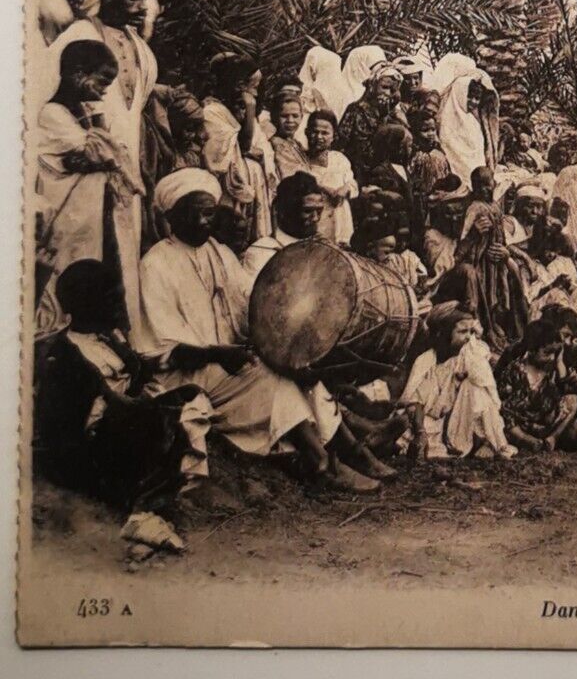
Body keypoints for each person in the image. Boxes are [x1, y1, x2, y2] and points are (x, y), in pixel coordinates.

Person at [136, 170, 380, 493]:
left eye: (208, 213)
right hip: (185, 372)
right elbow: (160, 347)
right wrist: (217, 354)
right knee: (274, 378)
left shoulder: (218, 253)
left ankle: (333, 454)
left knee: (292, 366)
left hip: (223, 362)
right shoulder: (155, 264)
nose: (204, 221)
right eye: (194, 213)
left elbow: (249, 308)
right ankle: (321, 462)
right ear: (171, 216)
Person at [33, 259, 211, 553]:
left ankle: (158, 500)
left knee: (191, 400)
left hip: (117, 430)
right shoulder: (65, 357)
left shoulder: (110, 339)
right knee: (159, 421)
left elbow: (138, 378)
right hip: (85, 453)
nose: (120, 306)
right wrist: (140, 410)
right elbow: (68, 431)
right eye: (112, 299)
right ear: (85, 305)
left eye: (120, 297)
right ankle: (140, 511)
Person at [44, 0, 159, 328]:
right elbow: (50, 94)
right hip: (78, 179)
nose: (142, 6)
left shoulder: (140, 47)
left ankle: (121, 335)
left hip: (122, 170)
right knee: (81, 251)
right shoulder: (79, 33)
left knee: (122, 248)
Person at [34, 39, 145, 335]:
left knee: (89, 273)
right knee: (61, 279)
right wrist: (103, 149)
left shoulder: (81, 112)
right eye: (102, 81)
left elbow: (104, 151)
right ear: (78, 74)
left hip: (88, 221)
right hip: (66, 219)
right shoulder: (52, 115)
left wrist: (97, 125)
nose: (105, 90)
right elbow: (100, 152)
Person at [399, 304, 516, 459]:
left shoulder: (469, 357)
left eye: (470, 331)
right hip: (432, 421)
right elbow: (414, 401)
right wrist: (420, 433)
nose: (468, 337)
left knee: (476, 386)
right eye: (462, 331)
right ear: (444, 334)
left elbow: (487, 395)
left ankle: (490, 443)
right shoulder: (426, 361)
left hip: (459, 419)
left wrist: (466, 376)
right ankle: (453, 444)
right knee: (407, 430)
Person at [433, 167, 529, 350]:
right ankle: (484, 327)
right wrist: (474, 236)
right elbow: (458, 250)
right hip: (472, 266)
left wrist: (507, 254)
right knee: (478, 279)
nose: (486, 189)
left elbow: (503, 238)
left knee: (512, 276)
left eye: (489, 184)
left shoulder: (495, 207)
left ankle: (515, 330)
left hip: (494, 261)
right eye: (480, 186)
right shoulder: (474, 209)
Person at [200, 50, 275, 247]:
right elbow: (241, 146)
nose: (256, 93)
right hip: (227, 190)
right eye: (254, 88)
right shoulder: (212, 112)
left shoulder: (234, 113)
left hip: (248, 187)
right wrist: (250, 107)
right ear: (239, 86)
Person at [496, 317, 577, 451]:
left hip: (542, 423)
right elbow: (506, 411)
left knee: (572, 401)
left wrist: (560, 362)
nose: (551, 358)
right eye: (547, 353)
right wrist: (525, 436)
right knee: (506, 426)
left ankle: (552, 438)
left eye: (555, 353)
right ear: (531, 349)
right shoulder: (516, 371)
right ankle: (528, 441)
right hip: (520, 425)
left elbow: (558, 396)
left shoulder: (549, 370)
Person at [241, 172, 325, 286]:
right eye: (307, 211)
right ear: (283, 211)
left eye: (319, 211)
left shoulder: (324, 247)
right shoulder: (261, 252)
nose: (315, 218)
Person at [429, 53, 500, 184]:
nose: (473, 101)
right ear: (460, 94)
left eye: (477, 98)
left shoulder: (474, 120)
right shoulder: (448, 119)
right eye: (470, 96)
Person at [300, 109, 357, 244]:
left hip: (340, 219)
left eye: (325, 133)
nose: (319, 137)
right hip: (317, 221)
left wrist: (346, 189)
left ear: (333, 136)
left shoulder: (339, 159)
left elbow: (352, 183)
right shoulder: (301, 160)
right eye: (315, 132)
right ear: (307, 133)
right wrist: (325, 189)